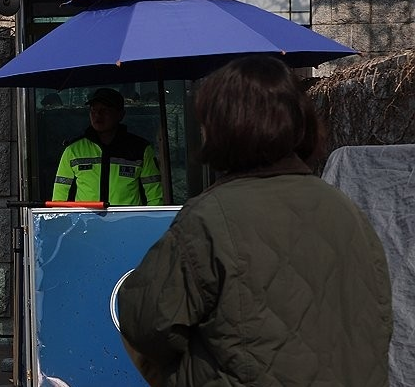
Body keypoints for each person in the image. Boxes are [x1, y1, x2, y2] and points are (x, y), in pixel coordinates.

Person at [117, 55, 392, 387]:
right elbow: (376, 324)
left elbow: (143, 323)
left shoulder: (207, 218)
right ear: (301, 122)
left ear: (221, 128)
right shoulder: (348, 210)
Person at [51, 87, 163, 205]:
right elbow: (59, 198)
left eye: (105, 110)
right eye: (93, 110)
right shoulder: (73, 150)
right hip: (86, 222)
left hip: (128, 222)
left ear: (121, 114)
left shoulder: (140, 149)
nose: (98, 115)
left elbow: (155, 197)